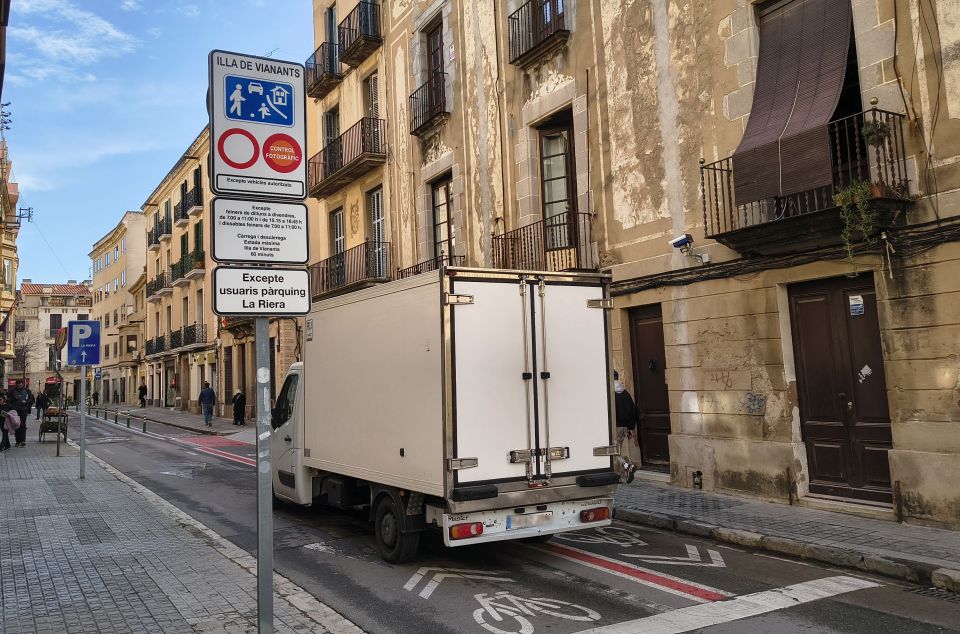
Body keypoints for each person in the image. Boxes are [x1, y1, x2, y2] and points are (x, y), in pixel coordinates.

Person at [613, 370, 639, 484]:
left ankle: (626, 466)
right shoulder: (625, 393)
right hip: (624, 427)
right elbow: (632, 411)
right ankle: (618, 475)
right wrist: (630, 428)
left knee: (613, 451)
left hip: (614, 427)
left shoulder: (610, 393)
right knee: (617, 450)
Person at [7, 380, 35, 448]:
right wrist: (14, 398)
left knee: (23, 425)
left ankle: (22, 441)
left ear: (22, 384)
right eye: (18, 385)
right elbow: (7, 400)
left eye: (20, 385)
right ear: (16, 385)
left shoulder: (27, 391)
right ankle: (17, 441)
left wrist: (26, 402)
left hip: (23, 410)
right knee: (16, 425)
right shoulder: (12, 391)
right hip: (15, 411)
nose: (19, 386)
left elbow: (32, 399)